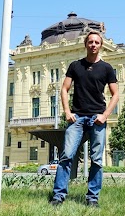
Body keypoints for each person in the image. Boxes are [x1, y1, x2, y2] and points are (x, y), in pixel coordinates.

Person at [50, 30, 119, 208]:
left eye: (96, 42)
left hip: (97, 118)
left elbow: (116, 94)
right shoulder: (75, 66)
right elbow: (64, 89)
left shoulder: (107, 68)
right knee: (66, 156)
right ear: (85, 44)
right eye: (90, 42)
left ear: (100, 45)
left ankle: (92, 198)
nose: (93, 45)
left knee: (97, 159)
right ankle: (58, 195)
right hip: (77, 117)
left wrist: (104, 115)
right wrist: (67, 111)